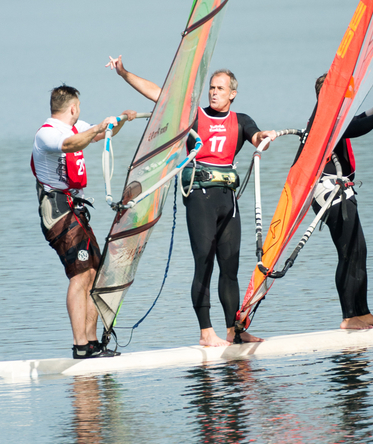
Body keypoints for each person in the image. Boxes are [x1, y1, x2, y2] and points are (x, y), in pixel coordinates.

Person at [106, 56, 277, 347]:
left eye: (220, 88)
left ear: (232, 93)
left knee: (230, 267)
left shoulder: (242, 121)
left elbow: (257, 136)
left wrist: (266, 136)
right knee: (204, 263)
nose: (213, 92)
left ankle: (234, 331)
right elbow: (160, 95)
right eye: (211, 87)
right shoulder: (194, 116)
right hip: (200, 197)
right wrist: (123, 73)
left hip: (228, 201)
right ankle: (205, 332)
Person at [32, 85, 136, 359]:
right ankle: (80, 345)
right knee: (79, 275)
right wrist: (97, 127)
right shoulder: (48, 133)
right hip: (57, 212)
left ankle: (92, 344)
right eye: (79, 109)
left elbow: (102, 134)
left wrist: (122, 119)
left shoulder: (77, 127)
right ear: (73, 108)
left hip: (74, 211)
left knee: (93, 272)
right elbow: (71, 145)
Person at [310, 74, 373, 330]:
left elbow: (356, 120)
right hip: (329, 194)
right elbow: (356, 128)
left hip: (342, 192)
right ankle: (349, 317)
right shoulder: (324, 116)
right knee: (348, 254)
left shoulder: (335, 117)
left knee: (359, 252)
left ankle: (362, 312)